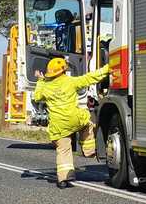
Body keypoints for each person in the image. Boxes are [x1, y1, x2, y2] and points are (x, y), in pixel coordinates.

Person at [33, 57, 109, 189]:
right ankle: (89, 150)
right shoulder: (70, 81)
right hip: (74, 118)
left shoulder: (45, 86)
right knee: (87, 122)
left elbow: (37, 97)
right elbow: (90, 78)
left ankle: (63, 179)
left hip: (58, 124)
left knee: (63, 150)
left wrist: (40, 80)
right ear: (64, 70)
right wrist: (108, 68)